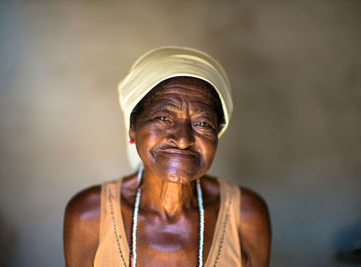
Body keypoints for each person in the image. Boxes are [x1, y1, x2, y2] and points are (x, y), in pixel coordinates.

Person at [63, 47, 271, 267]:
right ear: (133, 128)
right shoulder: (89, 214)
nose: (183, 140)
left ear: (217, 133)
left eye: (202, 123)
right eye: (163, 117)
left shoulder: (245, 215)